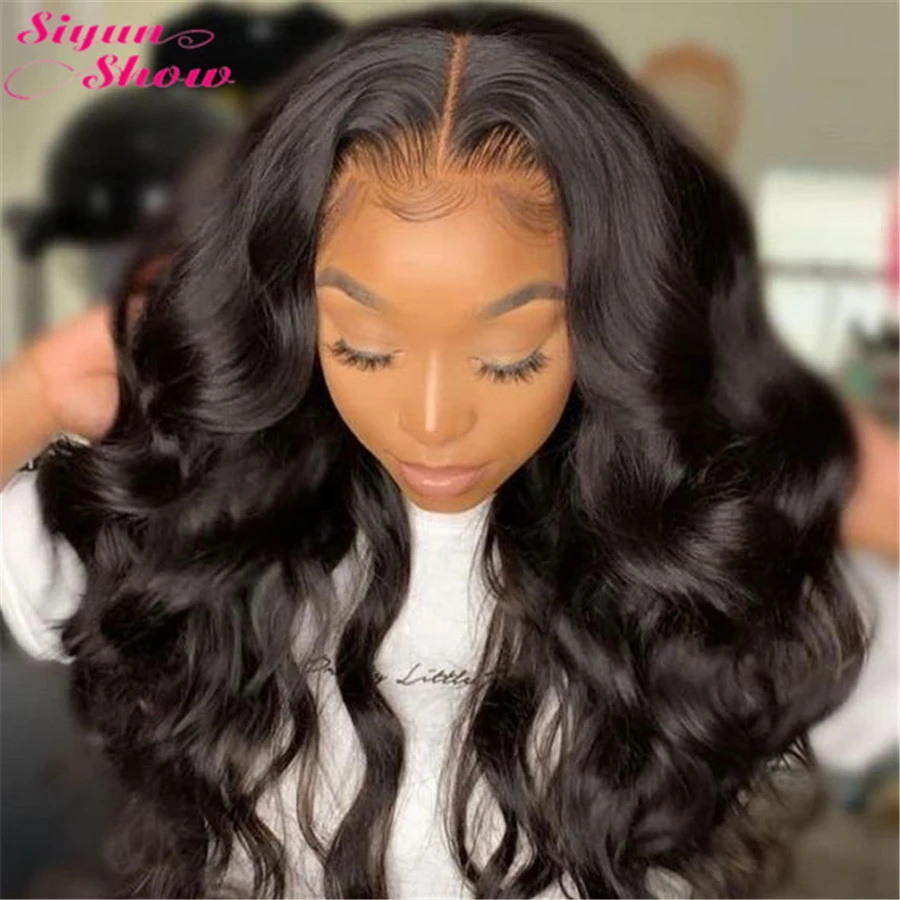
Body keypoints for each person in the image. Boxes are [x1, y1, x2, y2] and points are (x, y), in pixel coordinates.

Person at [0, 4, 888, 898]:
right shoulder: (187, 520)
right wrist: (36, 390)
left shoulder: (717, 557)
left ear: (614, 326)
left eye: (508, 357)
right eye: (364, 349)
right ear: (293, 317)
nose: (430, 422)